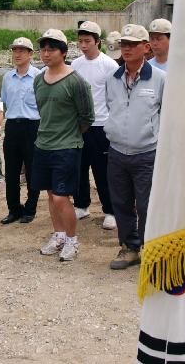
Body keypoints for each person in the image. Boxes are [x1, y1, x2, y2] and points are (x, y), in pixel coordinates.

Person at [103, 24, 165, 269]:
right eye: (124, 44)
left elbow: (167, 115)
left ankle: (150, 249)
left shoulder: (160, 79)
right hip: (117, 152)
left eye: (132, 44)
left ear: (146, 47)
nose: (126, 49)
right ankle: (129, 248)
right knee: (121, 202)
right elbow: (112, 108)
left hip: (147, 153)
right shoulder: (113, 78)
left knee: (147, 204)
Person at [34, 29, 95, 262]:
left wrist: (69, 134)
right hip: (43, 144)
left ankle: (72, 239)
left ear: (63, 52)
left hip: (67, 146)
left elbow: (86, 117)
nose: (46, 54)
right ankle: (58, 235)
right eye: (43, 49)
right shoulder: (39, 79)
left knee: (61, 197)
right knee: (50, 194)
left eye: (51, 50)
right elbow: (43, 111)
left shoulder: (76, 81)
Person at [71, 20, 119, 229]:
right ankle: (81, 205)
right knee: (79, 167)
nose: (83, 45)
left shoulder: (109, 65)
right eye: (80, 41)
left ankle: (110, 210)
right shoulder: (75, 65)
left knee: (102, 170)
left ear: (97, 42)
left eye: (87, 41)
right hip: (79, 124)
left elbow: (115, 97)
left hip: (101, 124)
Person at [0, 37, 42, 225]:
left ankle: (30, 208)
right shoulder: (8, 77)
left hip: (33, 127)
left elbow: (43, 105)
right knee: (11, 171)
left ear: (31, 54)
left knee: (33, 169)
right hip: (12, 126)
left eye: (22, 51)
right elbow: (5, 102)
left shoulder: (39, 76)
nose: (17, 54)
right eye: (15, 50)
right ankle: (13, 209)